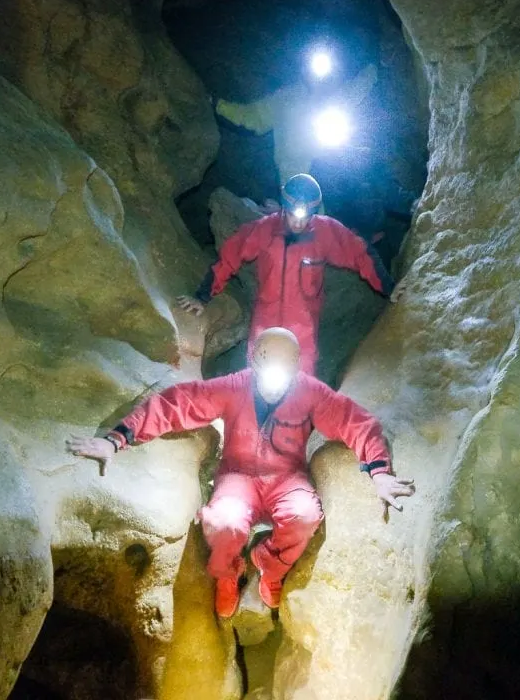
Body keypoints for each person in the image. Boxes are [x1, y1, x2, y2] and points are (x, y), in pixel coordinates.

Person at [66, 327, 416, 618]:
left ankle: (270, 564)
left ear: (296, 367)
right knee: (225, 522)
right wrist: (116, 440)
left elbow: (355, 421)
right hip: (239, 477)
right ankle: (228, 574)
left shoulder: (309, 392)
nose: (277, 380)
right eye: (269, 367)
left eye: (285, 370)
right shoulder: (235, 387)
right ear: (254, 360)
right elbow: (177, 402)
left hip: (286, 477)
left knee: (305, 515)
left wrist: (380, 473)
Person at [176, 174, 408, 375]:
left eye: (305, 217)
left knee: (299, 393)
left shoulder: (325, 232)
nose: (298, 222)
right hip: (265, 325)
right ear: (284, 208)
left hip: (302, 332)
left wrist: (389, 287)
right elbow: (229, 258)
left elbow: (360, 254)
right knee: (255, 383)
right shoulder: (263, 230)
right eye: (293, 215)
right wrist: (202, 297)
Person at [214, 63, 378, 187]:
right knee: (305, 224)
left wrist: (373, 68)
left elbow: (357, 89)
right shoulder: (285, 98)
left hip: (331, 172)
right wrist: (218, 105)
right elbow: (253, 116)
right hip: (295, 178)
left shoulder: (334, 96)